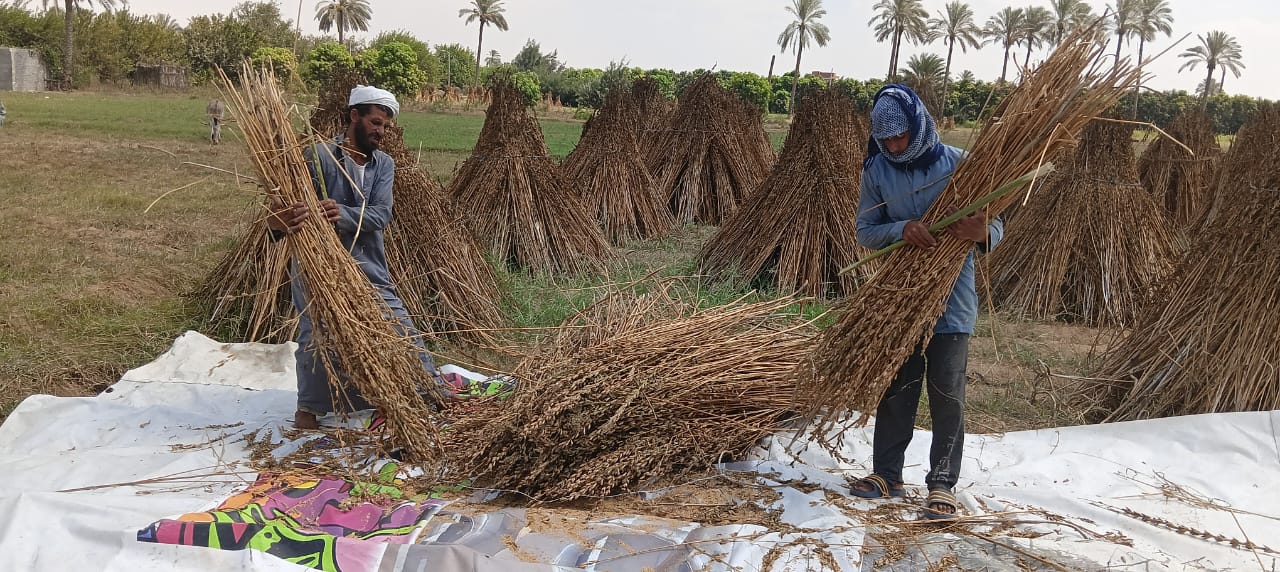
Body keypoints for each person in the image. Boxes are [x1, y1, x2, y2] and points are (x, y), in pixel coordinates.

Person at [848, 84, 1004, 520]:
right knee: (897, 388)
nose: (895, 146)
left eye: (900, 136)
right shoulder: (877, 169)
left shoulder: (961, 165)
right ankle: (887, 474)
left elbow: (997, 225)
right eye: (886, 140)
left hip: (952, 301)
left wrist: (981, 234)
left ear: (918, 125)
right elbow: (865, 230)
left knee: (946, 393)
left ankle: (942, 484)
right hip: (901, 300)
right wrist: (902, 229)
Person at [266, 85, 440, 430]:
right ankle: (309, 410)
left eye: (385, 127)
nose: (380, 131)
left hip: (368, 265)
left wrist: (341, 213)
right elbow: (285, 213)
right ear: (354, 116)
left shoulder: (383, 165)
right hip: (319, 268)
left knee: (398, 325)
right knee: (316, 333)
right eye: (375, 122)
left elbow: (381, 214)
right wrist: (282, 219)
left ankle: (427, 392)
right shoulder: (317, 157)